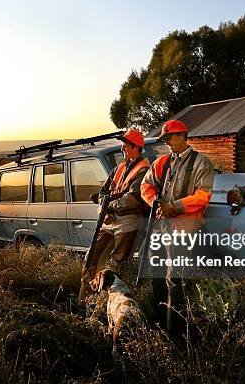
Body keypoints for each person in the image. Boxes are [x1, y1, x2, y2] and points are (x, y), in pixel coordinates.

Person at [140, 119, 214, 339]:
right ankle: (159, 326)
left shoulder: (202, 162)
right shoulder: (162, 162)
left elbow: (203, 196)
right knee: (155, 275)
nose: (167, 143)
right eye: (164, 139)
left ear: (183, 135)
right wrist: (156, 203)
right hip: (160, 227)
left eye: (169, 138)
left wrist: (174, 206)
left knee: (175, 281)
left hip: (184, 229)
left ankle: (176, 336)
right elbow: (146, 185)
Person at [79, 128, 151, 299]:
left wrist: (108, 206)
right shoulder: (118, 169)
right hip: (109, 219)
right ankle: (87, 301)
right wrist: (106, 206)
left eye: (125, 146)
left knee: (117, 264)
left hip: (128, 221)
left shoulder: (144, 170)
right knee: (90, 260)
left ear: (136, 147)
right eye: (122, 146)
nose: (122, 149)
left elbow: (131, 200)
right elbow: (102, 193)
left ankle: (115, 302)